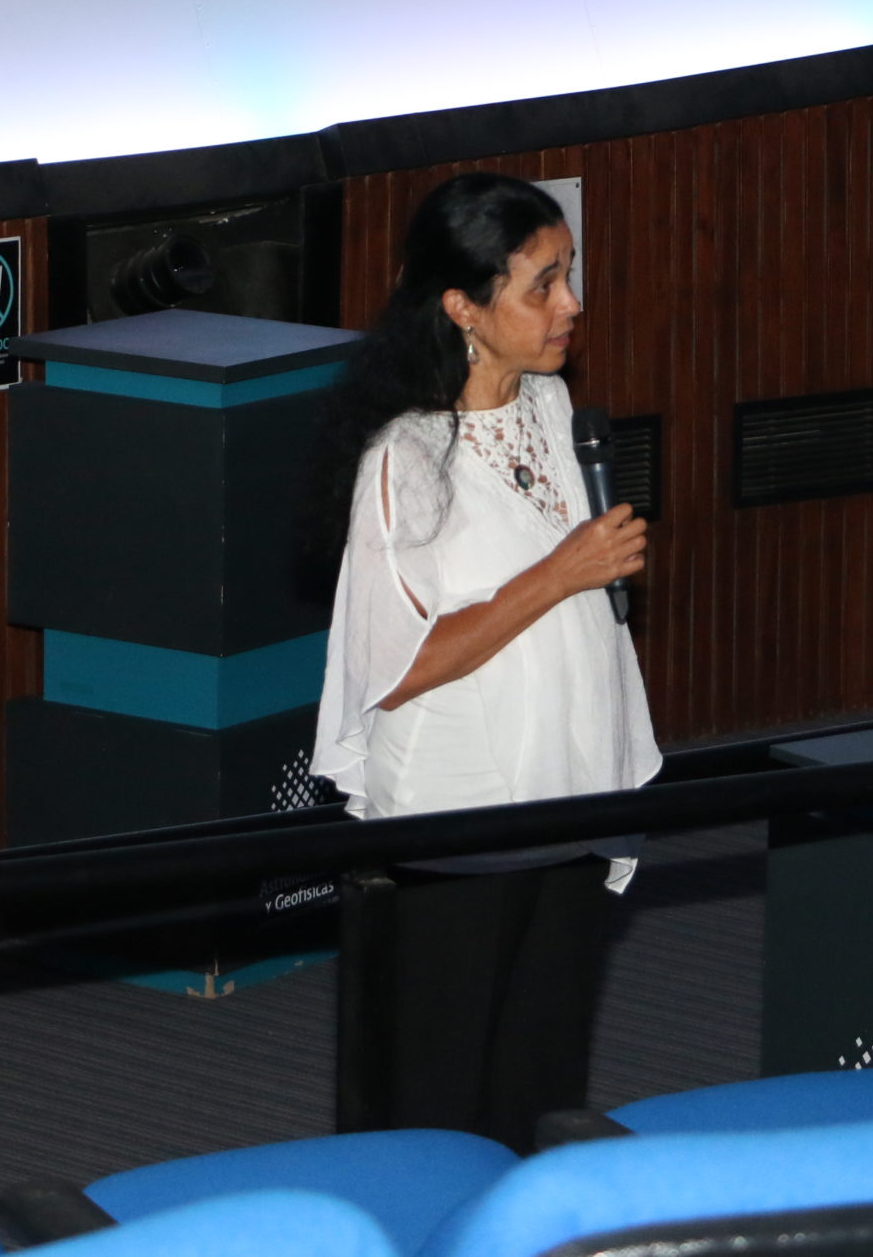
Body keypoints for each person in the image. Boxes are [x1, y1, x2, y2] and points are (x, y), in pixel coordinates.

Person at [311, 171, 658, 1150]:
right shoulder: (408, 458)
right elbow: (397, 664)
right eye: (542, 285)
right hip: (458, 823)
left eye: (570, 275)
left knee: (539, 1091)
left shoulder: (553, 406)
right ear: (463, 307)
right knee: (438, 1103)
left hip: (570, 791)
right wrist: (560, 573)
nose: (571, 304)